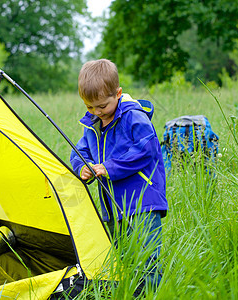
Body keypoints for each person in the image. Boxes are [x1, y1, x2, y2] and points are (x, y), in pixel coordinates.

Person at [70, 59, 168, 289]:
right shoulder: (93, 124)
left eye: (102, 106)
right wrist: (81, 166)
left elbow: (147, 148)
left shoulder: (134, 116)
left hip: (142, 201)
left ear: (118, 93)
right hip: (113, 207)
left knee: (148, 259)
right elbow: (79, 151)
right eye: (89, 107)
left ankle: (153, 293)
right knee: (124, 258)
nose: (96, 112)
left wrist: (109, 167)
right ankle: (132, 292)